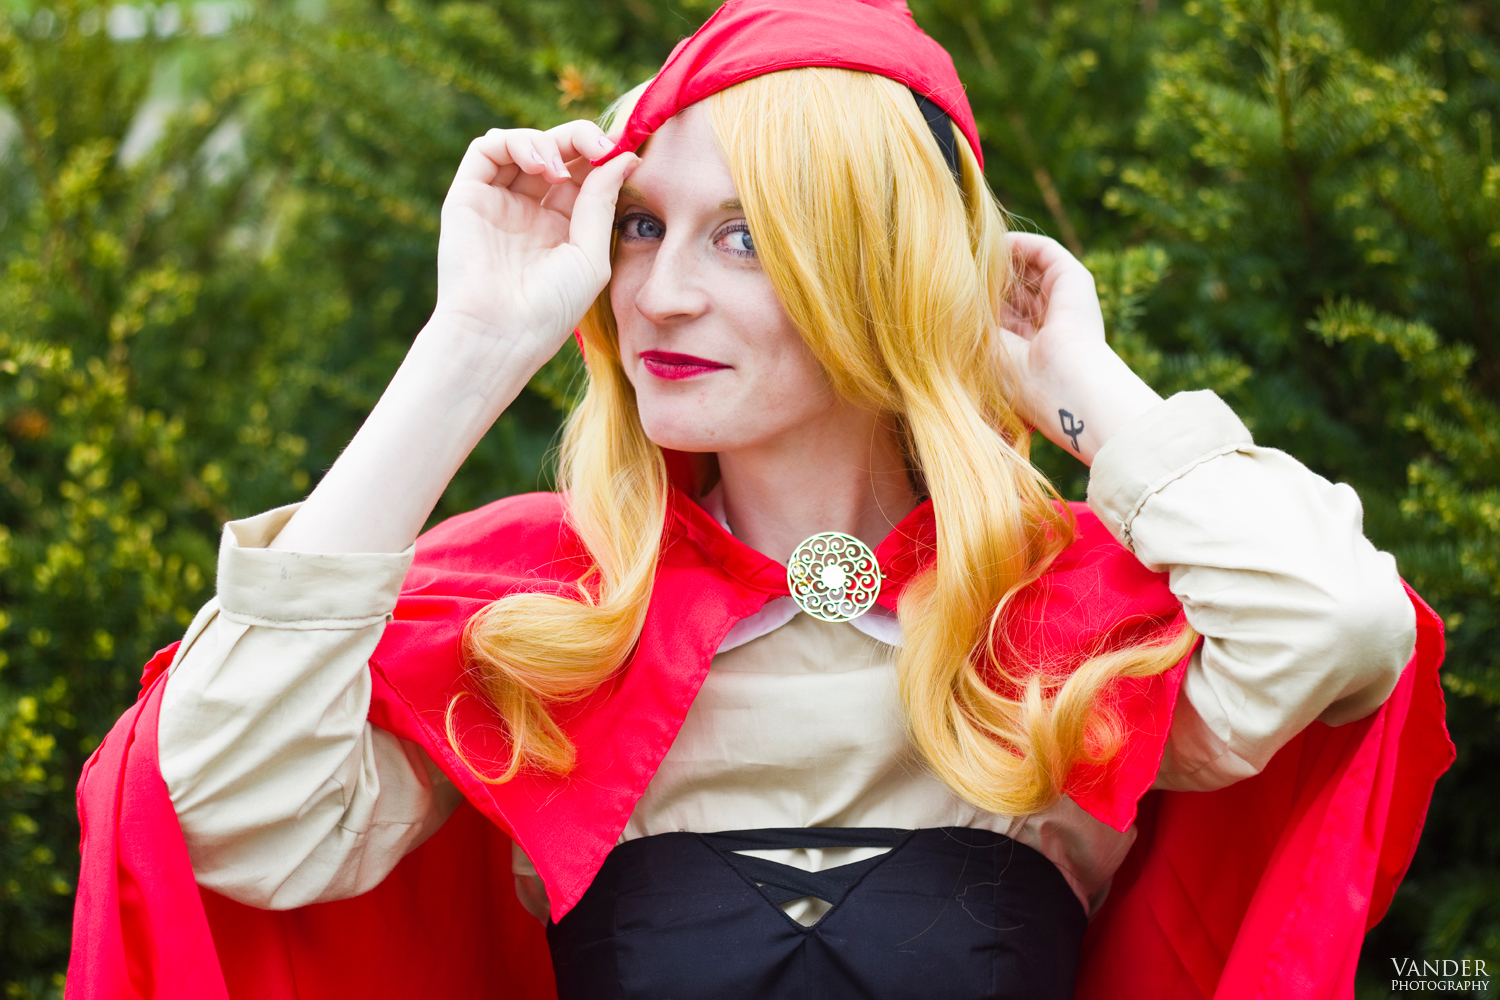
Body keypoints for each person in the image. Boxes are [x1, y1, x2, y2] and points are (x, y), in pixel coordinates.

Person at [68, 2, 1452, 998]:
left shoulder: (1058, 626)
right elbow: (224, 811)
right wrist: (471, 346)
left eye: (744, 236)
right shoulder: (546, 619)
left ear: (878, 267)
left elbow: (1337, 627)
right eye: (642, 227)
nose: (662, 292)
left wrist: (1077, 382)